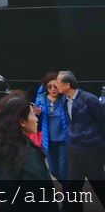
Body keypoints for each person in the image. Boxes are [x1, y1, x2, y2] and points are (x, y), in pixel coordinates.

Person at [0, 96, 58, 210]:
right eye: (32, 114)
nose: (36, 119)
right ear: (22, 121)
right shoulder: (28, 152)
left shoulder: (2, 147)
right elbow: (38, 197)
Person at [56, 71, 105, 210]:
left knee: (98, 183)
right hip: (73, 150)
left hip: (91, 150)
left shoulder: (89, 99)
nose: (56, 85)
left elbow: (102, 122)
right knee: (71, 185)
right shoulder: (65, 99)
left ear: (67, 84)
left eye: (58, 82)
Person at [35, 73, 69, 183]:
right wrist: (37, 114)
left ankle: (70, 192)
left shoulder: (66, 99)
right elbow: (36, 123)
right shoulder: (41, 100)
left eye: (55, 86)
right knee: (53, 170)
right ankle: (71, 188)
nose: (53, 89)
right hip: (48, 141)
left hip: (64, 140)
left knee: (64, 170)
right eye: (49, 87)